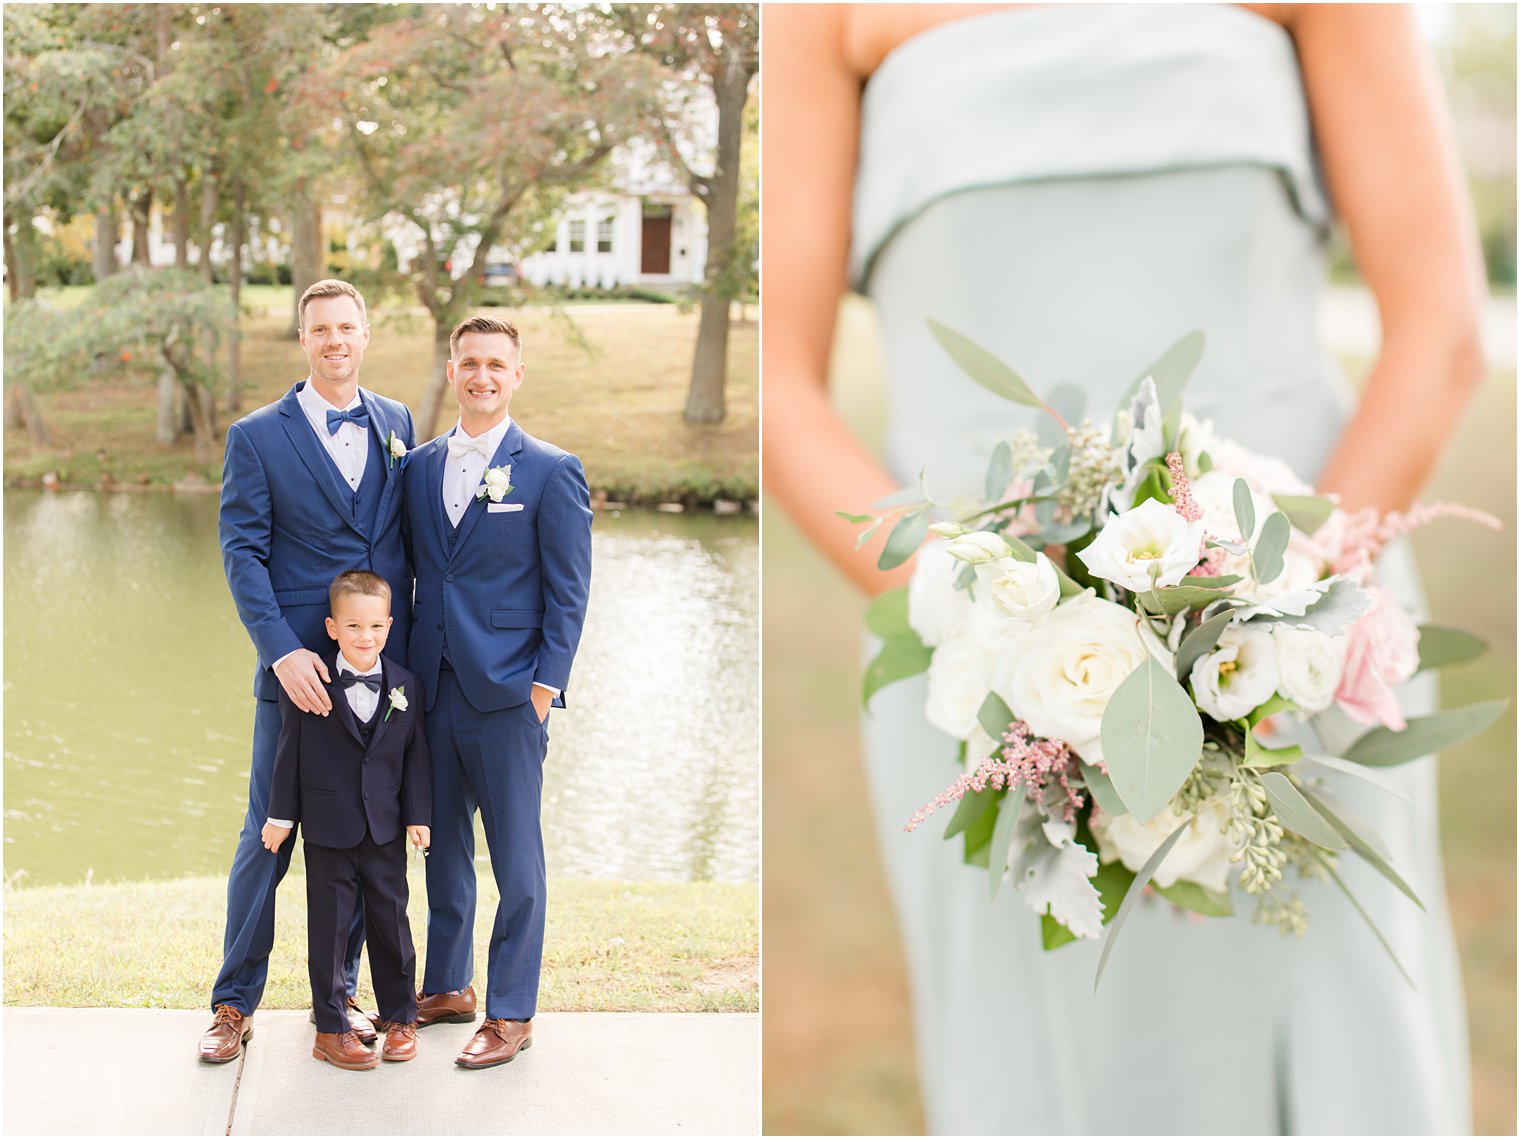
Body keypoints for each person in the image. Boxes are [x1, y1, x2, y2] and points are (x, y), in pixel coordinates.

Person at [763, 4, 1486, 1134]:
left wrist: (1275, 608)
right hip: (981, 688)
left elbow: (1438, 327)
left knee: (1339, 1050)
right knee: (1049, 1068)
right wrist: (984, 627)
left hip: (1299, 656)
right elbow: (775, 382)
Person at [200, 279, 417, 1063]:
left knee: (362, 836)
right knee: (270, 836)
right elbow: (241, 553)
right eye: (320, 328)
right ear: (304, 339)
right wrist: (282, 650)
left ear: (365, 334)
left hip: (376, 676)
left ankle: (341, 993)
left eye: (347, 327)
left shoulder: (396, 421)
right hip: (296, 676)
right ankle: (233, 1001)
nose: (335, 340)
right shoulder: (256, 436)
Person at [402, 314, 593, 1069]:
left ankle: (512, 1009)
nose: (482, 375)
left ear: (517, 375)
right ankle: (449, 985)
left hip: (511, 694)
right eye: (469, 362)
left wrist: (544, 686)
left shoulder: (549, 468)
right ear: (452, 372)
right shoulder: (416, 467)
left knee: (517, 860)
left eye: (496, 364)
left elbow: (569, 590)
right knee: (442, 850)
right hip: (431, 690)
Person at [261, 570, 431, 1071]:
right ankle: (331, 1027)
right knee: (330, 928)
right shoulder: (310, 681)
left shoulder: (406, 686)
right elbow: (287, 755)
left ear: (390, 625)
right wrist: (279, 816)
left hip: (383, 829)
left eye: (376, 627)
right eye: (354, 627)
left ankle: (401, 1016)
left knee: (391, 923)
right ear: (332, 627)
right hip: (328, 827)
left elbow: (416, 757)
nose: (366, 637)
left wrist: (418, 816)